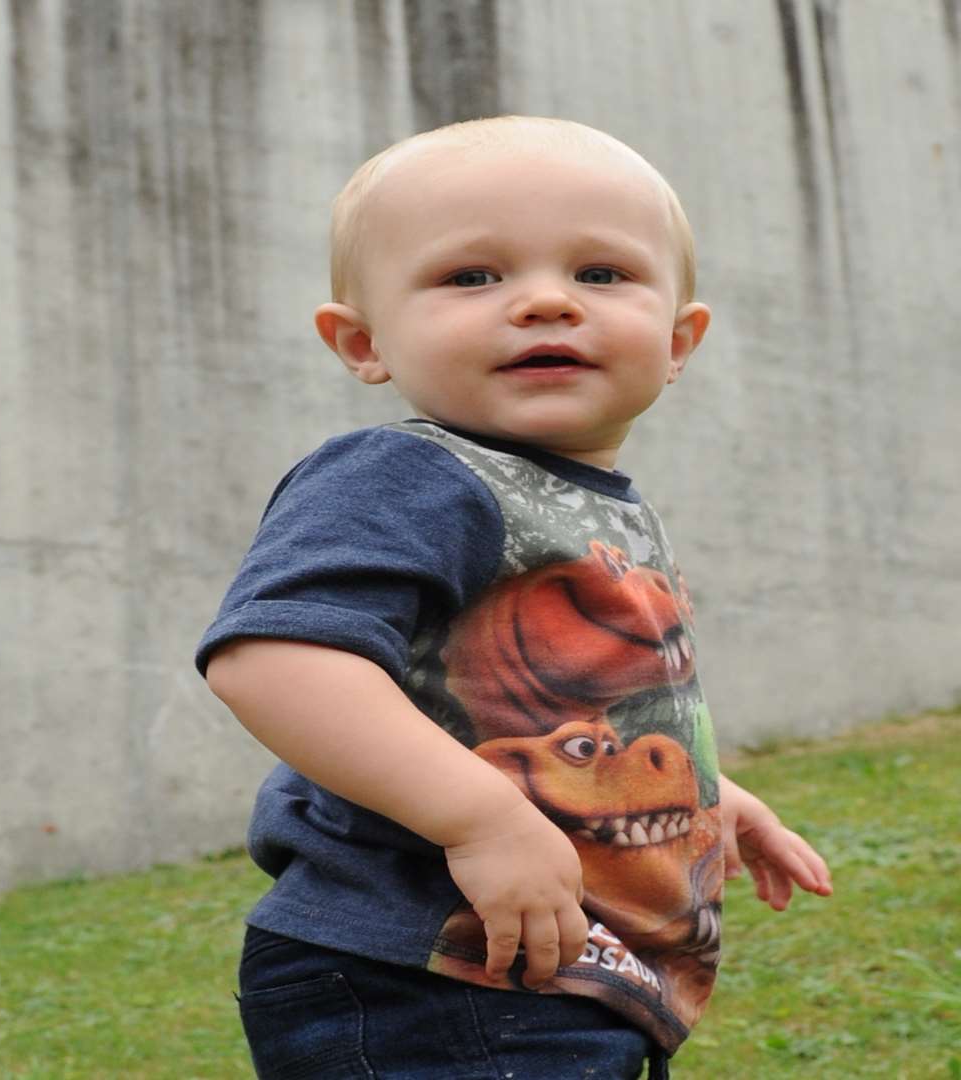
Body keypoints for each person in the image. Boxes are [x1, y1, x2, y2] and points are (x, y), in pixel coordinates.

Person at [196, 115, 832, 1079]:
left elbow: (560, 712)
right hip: (427, 973)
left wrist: (709, 797)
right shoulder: (409, 474)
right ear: (364, 341)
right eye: (472, 277)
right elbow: (275, 659)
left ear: (677, 340)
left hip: (543, 974)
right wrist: (480, 820)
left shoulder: (589, 503)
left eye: (601, 274)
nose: (545, 303)